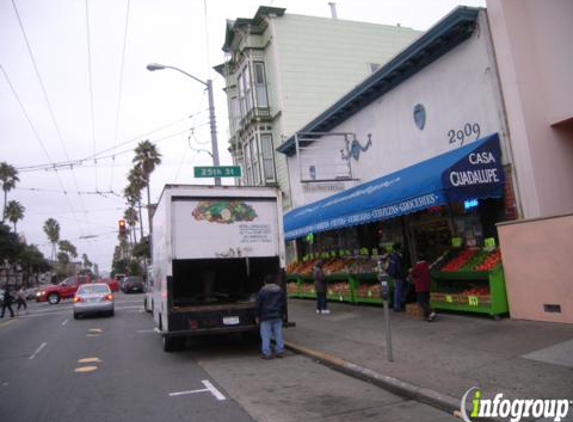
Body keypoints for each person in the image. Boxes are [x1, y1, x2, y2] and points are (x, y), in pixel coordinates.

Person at [255, 274, 286, 359]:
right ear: (274, 281)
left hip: (265, 316)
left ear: (264, 282)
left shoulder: (262, 291)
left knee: (265, 335)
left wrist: (257, 315)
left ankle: (267, 353)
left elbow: (258, 305)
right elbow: (283, 303)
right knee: (278, 334)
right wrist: (283, 313)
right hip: (277, 315)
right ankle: (280, 351)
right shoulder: (280, 290)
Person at [408, 253, 436, 322]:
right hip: (427, 286)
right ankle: (426, 316)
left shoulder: (417, 266)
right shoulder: (427, 265)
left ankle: (431, 312)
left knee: (421, 301)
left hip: (420, 287)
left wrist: (410, 273)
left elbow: (411, 275)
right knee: (426, 301)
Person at [387, 242, 407, 311]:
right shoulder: (397, 257)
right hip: (399, 276)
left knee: (397, 290)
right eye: (401, 248)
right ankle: (398, 305)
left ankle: (398, 304)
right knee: (399, 290)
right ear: (398, 249)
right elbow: (399, 268)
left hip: (394, 275)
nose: (402, 249)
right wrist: (404, 275)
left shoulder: (392, 256)